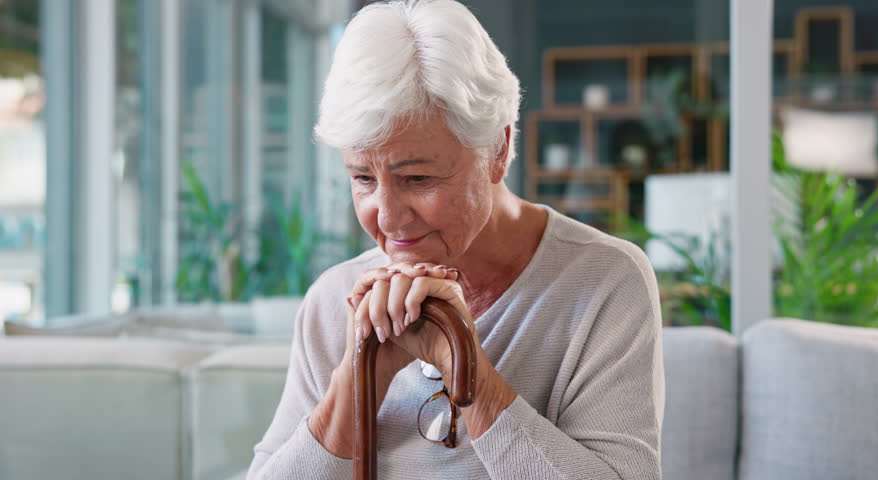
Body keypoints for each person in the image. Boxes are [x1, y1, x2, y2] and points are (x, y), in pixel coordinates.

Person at [247, 1, 664, 478]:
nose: (386, 217)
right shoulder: (333, 299)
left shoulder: (603, 283)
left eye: (418, 179)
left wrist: (465, 366)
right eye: (362, 178)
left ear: (498, 149)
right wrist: (359, 377)